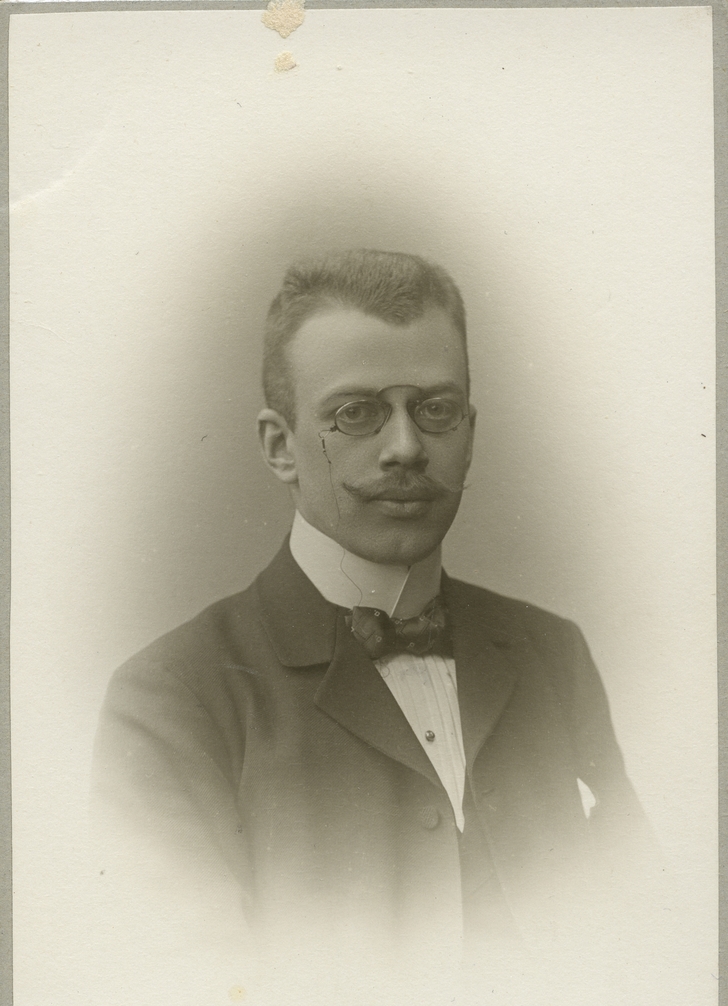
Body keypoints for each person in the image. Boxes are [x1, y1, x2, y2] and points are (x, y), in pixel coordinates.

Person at [92, 249, 653, 965]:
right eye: (356, 413)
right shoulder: (174, 696)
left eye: (436, 410)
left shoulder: (553, 652)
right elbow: (190, 998)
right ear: (280, 447)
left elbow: (644, 940)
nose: (406, 448)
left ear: (470, 434)